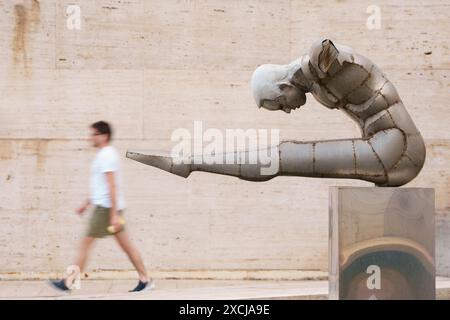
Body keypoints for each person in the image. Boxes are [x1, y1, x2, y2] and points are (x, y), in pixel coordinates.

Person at [49, 121, 153, 293]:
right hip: (106, 208)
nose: (90, 137)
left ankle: (68, 282)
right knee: (127, 246)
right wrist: (86, 203)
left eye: (93, 134)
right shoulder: (103, 154)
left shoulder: (107, 156)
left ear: (104, 136)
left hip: (106, 210)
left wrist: (112, 215)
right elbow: (100, 186)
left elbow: (112, 187)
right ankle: (145, 279)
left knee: (85, 244)